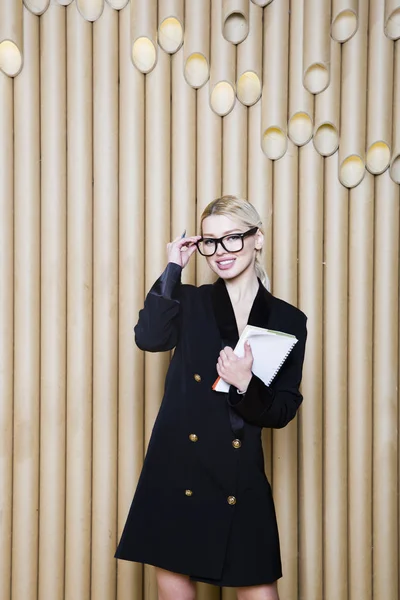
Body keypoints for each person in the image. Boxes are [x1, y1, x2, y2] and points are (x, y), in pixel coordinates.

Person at [115, 196, 307, 600]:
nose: (221, 252)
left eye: (233, 238)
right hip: (177, 468)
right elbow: (149, 338)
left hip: (239, 472)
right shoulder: (188, 301)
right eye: (211, 242)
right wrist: (171, 269)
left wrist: (244, 383)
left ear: (258, 239)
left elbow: (283, 409)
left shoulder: (289, 320)